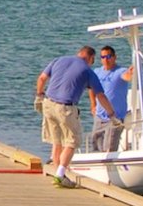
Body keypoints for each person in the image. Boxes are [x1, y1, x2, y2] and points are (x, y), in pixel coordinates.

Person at [34, 43, 99, 185]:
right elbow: (100, 94)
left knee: (57, 141)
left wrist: (39, 95)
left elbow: (41, 79)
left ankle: (57, 174)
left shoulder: (58, 60)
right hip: (66, 108)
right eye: (93, 61)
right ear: (90, 58)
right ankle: (60, 174)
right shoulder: (87, 70)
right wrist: (111, 113)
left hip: (48, 104)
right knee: (72, 141)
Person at [89, 45, 130, 153]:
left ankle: (111, 167)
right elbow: (91, 88)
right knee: (95, 146)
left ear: (114, 57)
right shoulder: (97, 71)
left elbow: (127, 77)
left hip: (115, 117)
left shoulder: (120, 71)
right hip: (99, 116)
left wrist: (132, 72)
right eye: (103, 57)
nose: (106, 59)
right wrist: (93, 104)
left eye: (108, 56)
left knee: (109, 148)